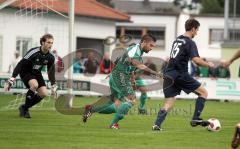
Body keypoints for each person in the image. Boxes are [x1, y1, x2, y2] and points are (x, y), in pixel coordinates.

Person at [82, 34, 161, 129]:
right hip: (120, 76)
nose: (152, 48)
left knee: (114, 103)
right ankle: (113, 124)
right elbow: (138, 64)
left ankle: (91, 109)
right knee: (131, 100)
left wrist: (132, 80)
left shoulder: (136, 50)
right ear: (144, 42)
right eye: (151, 45)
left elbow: (124, 62)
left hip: (118, 75)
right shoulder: (135, 50)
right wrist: (155, 73)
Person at [152, 18, 215, 131]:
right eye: (197, 30)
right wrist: (208, 64)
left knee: (169, 102)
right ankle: (195, 118)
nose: (197, 32)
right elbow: (196, 60)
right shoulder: (190, 42)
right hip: (180, 73)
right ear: (193, 28)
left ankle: (157, 124)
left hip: (169, 73)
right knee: (204, 93)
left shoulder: (177, 40)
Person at [4, 34, 57, 118]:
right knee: (34, 85)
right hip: (26, 72)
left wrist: (53, 84)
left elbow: (50, 72)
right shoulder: (33, 52)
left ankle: (24, 107)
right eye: (48, 42)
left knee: (44, 93)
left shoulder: (50, 57)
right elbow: (20, 64)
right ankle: (25, 111)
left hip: (37, 73)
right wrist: (12, 78)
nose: (50, 45)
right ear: (43, 42)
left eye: (52, 43)